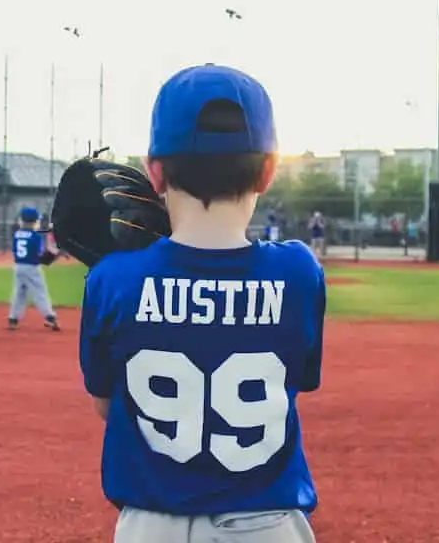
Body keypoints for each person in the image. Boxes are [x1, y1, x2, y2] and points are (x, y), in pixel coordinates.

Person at [79, 64, 324, 543]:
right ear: (268, 171)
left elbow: (107, 406)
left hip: (150, 527)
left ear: (154, 171)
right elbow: (298, 378)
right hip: (267, 525)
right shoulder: (299, 272)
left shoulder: (112, 278)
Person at [8, 207, 60, 332]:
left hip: (18, 267)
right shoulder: (35, 236)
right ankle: (49, 317)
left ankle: (13, 318)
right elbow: (40, 255)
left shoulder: (16, 234)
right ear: (34, 221)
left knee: (19, 292)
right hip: (31, 267)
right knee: (40, 292)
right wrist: (54, 255)